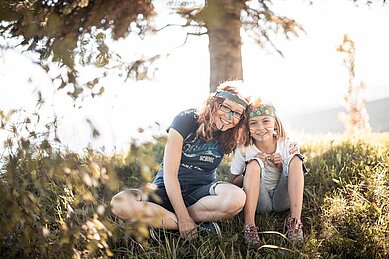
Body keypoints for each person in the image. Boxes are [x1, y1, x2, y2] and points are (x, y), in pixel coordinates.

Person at [110, 80, 251, 241]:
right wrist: (183, 218)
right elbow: (169, 175)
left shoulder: (231, 134)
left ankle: (163, 225)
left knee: (237, 199)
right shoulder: (186, 119)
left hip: (200, 194)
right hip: (164, 191)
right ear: (214, 103)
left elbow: (259, 138)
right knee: (119, 203)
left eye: (237, 113)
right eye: (225, 107)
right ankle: (193, 226)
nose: (229, 117)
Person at [230, 97, 306, 248]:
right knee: (253, 163)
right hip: (259, 200)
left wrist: (282, 165)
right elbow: (234, 181)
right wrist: (251, 169)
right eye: (253, 123)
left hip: (283, 198)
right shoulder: (244, 149)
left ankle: (295, 224)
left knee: (296, 159)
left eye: (265, 121)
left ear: (275, 123)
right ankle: (249, 226)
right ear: (247, 127)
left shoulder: (287, 144)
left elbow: (297, 175)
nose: (260, 128)